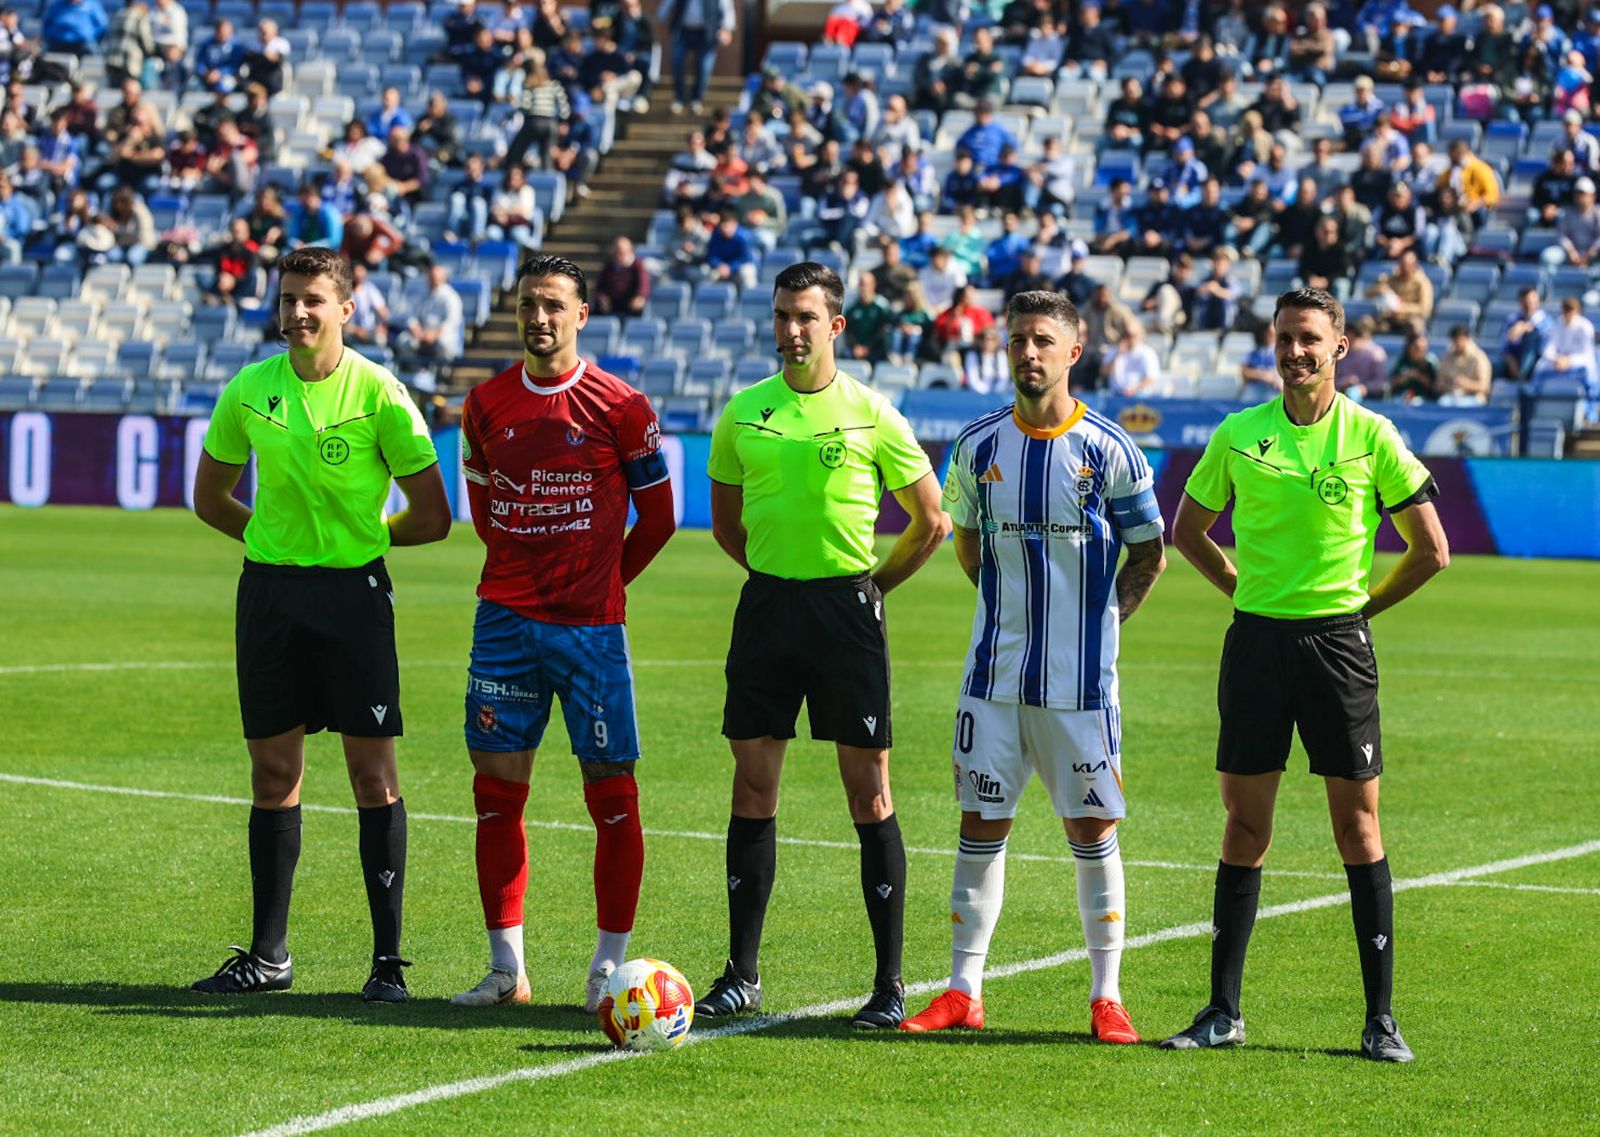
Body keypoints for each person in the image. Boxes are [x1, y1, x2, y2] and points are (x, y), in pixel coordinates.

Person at [1161, 287, 1449, 1062]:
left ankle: (1380, 1020)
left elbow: (1431, 547)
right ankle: (1223, 1010)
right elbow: (1187, 529)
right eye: (1285, 337)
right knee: (1244, 825)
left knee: (1358, 829)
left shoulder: (1372, 435)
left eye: (1310, 339)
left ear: (1340, 346)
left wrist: (1363, 610)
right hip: (1255, 645)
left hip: (1337, 647)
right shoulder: (1239, 432)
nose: (1295, 352)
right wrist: (1242, 591)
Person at [899, 289, 1166, 1040]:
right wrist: (1004, 616)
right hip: (994, 680)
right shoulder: (978, 445)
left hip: (1080, 687)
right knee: (980, 820)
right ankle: (961, 989)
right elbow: (968, 541)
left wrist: (1101, 622)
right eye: (1017, 338)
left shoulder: (1110, 448)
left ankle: (1107, 995)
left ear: (1073, 350)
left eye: (1043, 339)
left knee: (1091, 827)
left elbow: (1150, 553)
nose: (1027, 352)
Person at [189, 247, 451, 1002]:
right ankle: (269, 956)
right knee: (274, 773)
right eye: (289, 299)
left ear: (346, 309)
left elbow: (432, 516)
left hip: (354, 600)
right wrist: (278, 546)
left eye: (313, 300)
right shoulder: (249, 389)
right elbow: (211, 499)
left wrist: (357, 544)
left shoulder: (380, 394)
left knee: (374, 776)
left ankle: (388, 965)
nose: (299, 312)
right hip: (270, 596)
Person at [696, 261, 951, 1028]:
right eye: (782, 315)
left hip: (848, 610)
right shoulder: (743, 413)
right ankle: (741, 973)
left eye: (806, 316)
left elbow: (930, 519)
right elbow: (726, 522)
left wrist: (873, 587)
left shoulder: (874, 413)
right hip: (769, 607)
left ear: (835, 325)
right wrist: (780, 580)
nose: (791, 330)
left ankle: (889, 984)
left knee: (869, 792)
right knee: (751, 788)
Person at [451, 255, 675, 1009]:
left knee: (613, 796)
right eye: (527, 305)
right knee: (495, 795)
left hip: (591, 631)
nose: (538, 318)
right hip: (505, 622)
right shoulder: (484, 404)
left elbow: (661, 518)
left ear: (582, 314)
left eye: (553, 305)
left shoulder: (622, 405)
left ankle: (606, 970)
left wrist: (605, 583)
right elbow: (484, 513)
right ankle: (505, 969)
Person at [658, 0, 733, 116]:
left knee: (704, 65)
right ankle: (679, 98)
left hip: (707, 31)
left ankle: (696, 99)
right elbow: (668, 3)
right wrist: (661, 17)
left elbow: (726, 7)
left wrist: (727, 28)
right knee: (676, 60)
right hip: (683, 30)